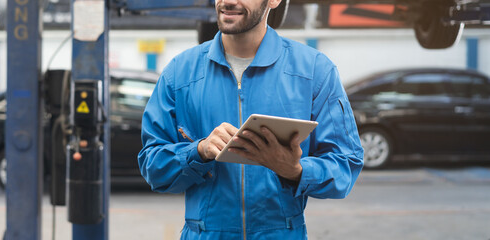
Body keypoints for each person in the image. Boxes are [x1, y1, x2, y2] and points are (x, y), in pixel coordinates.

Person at [138, 0, 364, 238]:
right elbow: (152, 165)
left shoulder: (315, 71)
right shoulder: (179, 73)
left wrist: (296, 170)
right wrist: (199, 151)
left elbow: (345, 165)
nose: (228, 1)